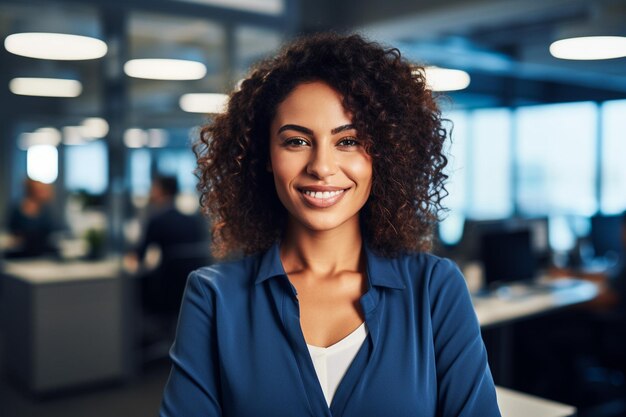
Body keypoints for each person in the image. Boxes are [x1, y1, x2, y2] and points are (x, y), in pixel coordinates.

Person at [160, 33, 501, 416]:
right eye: (296, 142)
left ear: (382, 155)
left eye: (349, 141)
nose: (321, 167)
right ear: (266, 155)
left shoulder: (434, 288)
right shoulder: (214, 298)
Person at [131, 175, 210, 315]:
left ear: (161, 190)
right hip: (192, 287)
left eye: (153, 188)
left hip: (166, 288)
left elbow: (140, 254)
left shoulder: (156, 220)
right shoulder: (191, 221)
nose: (150, 191)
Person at [6, 178, 56, 258]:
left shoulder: (46, 210)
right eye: (40, 190)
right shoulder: (17, 209)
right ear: (31, 190)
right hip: (21, 253)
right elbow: (13, 232)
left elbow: (52, 232)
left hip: (42, 254)